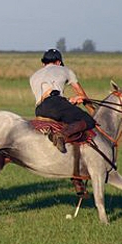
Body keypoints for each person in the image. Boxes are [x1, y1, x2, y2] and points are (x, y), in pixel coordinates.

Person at [29, 48, 96, 197]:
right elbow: (82, 94)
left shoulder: (33, 76)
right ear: (59, 62)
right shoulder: (65, 70)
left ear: (43, 63)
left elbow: (47, 94)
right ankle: (61, 135)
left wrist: (69, 102)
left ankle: (77, 181)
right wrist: (90, 110)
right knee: (87, 121)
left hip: (40, 110)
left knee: (73, 131)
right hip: (56, 103)